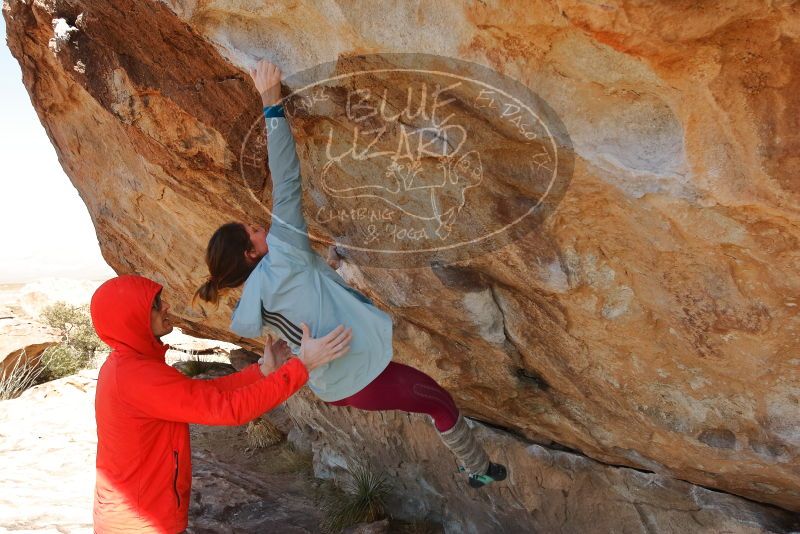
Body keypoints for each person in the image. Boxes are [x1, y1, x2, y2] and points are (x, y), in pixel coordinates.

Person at [195, 60, 507, 488]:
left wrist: (332, 272)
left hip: (338, 383)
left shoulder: (256, 297)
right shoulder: (283, 255)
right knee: (439, 402)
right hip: (362, 375)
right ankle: (479, 471)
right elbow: (286, 180)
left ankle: (476, 468)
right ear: (251, 252)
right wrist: (270, 103)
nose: (261, 225)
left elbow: (298, 316)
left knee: (434, 399)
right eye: (253, 230)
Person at [90, 274, 352, 533]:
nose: (166, 306)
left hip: (137, 515)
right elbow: (228, 409)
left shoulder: (130, 366)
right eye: (156, 304)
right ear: (132, 319)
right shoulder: (137, 377)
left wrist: (261, 371)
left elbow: (201, 393)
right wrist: (302, 366)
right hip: (139, 523)